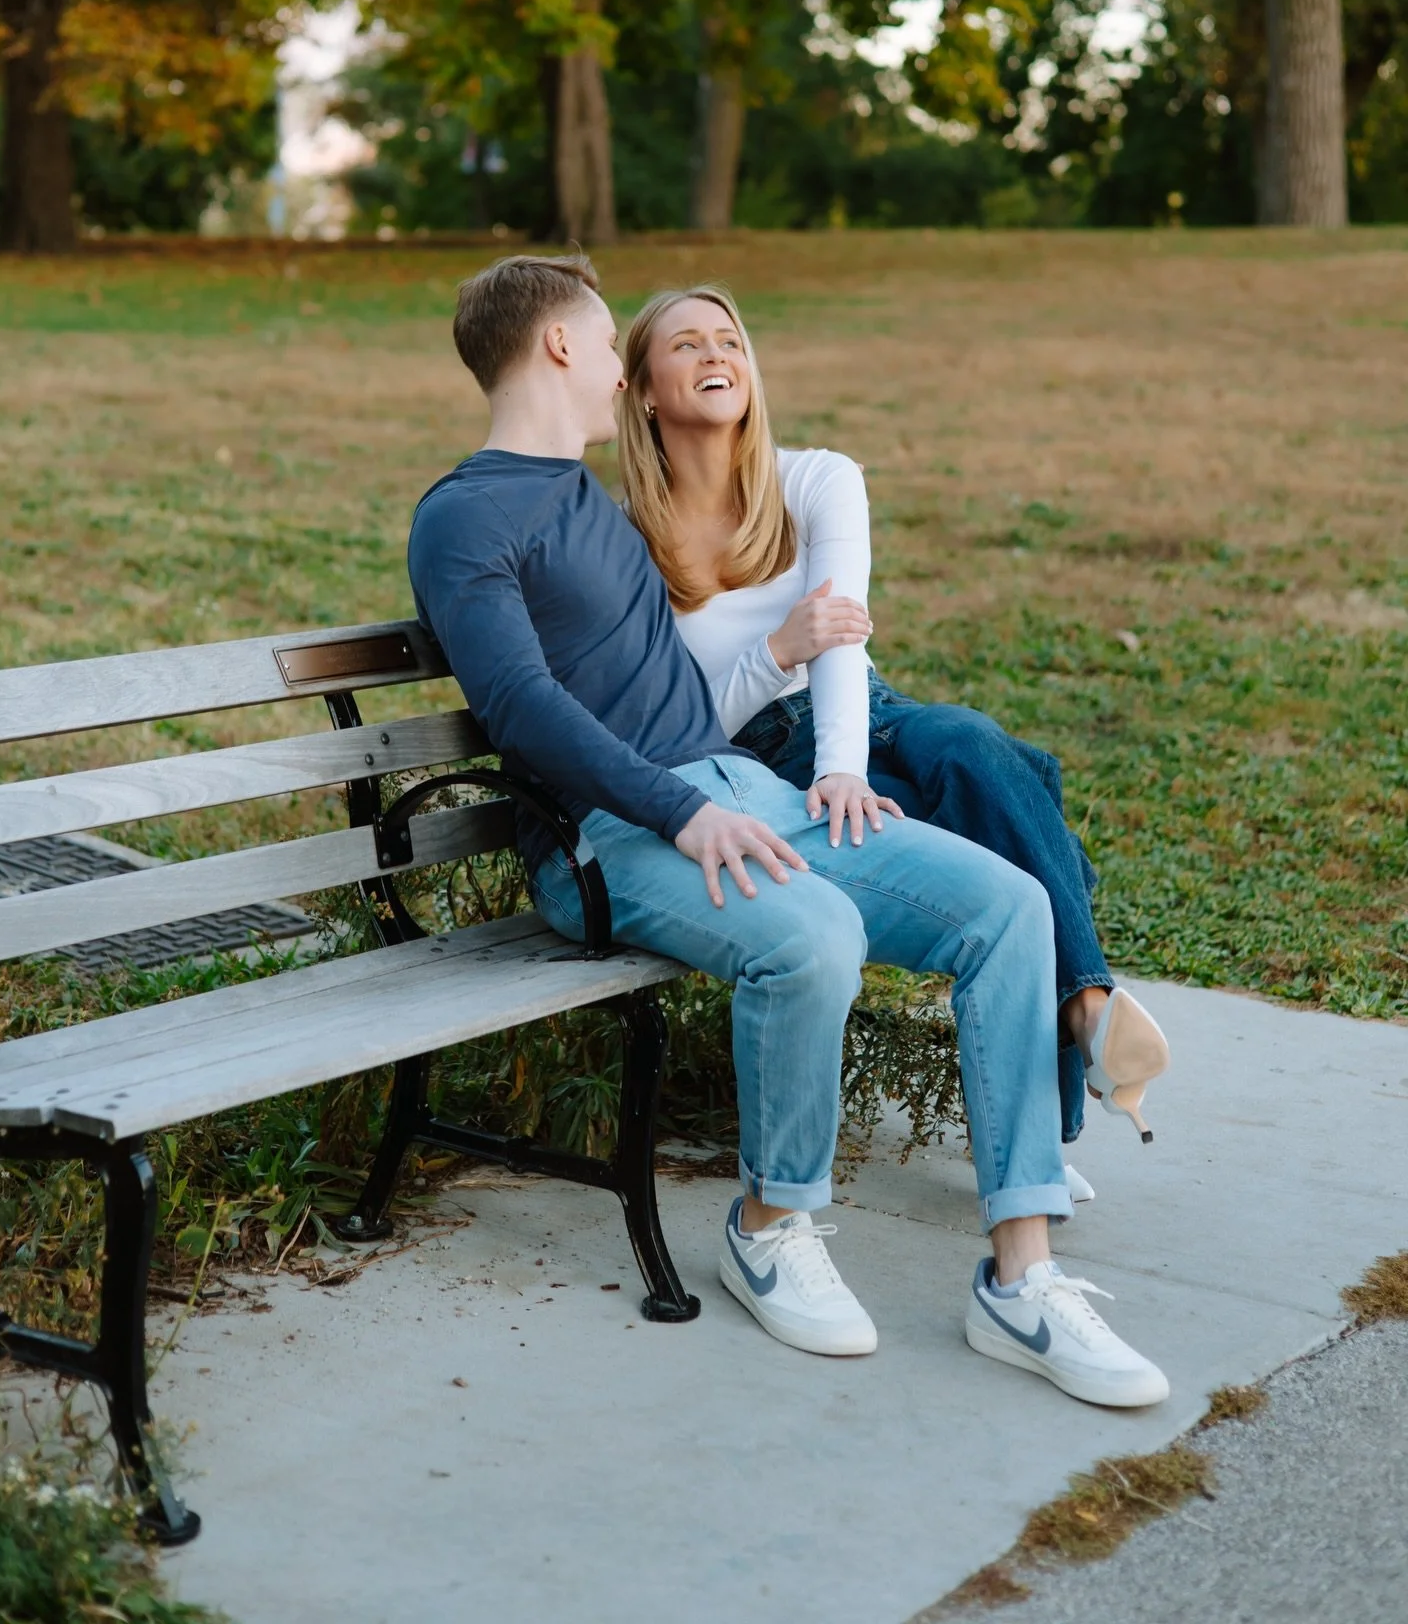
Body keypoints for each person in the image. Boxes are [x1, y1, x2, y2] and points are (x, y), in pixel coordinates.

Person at [408, 253, 1169, 1407]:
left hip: (741, 798)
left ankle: (1023, 1274)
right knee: (812, 935)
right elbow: (521, 708)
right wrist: (681, 806)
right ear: (562, 346)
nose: (619, 360)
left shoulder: (595, 508)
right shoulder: (467, 515)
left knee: (1008, 906)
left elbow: (696, 675)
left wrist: (813, 766)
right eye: (612, 338)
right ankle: (771, 1225)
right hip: (608, 842)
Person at [617, 283, 1171, 1167]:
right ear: (644, 388)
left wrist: (841, 768)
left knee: (969, 746)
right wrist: (771, 654)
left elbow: (840, 637)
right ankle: (1065, 1092)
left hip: (860, 710)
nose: (717, 354)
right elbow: (677, 724)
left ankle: (1085, 1011)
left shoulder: (817, 479)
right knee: (1019, 820)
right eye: (686, 345)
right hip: (751, 753)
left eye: (730, 340)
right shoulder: (624, 540)